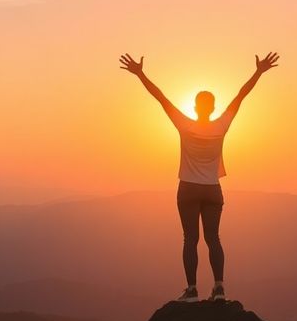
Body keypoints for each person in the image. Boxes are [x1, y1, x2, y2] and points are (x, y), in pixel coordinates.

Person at [118, 51, 279, 302]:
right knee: (213, 238)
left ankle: (192, 290)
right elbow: (241, 96)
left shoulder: (185, 125)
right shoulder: (222, 125)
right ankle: (219, 288)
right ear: (213, 107)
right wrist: (258, 72)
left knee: (190, 239)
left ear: (194, 107)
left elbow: (160, 97)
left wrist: (140, 74)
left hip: (188, 189)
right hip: (213, 189)